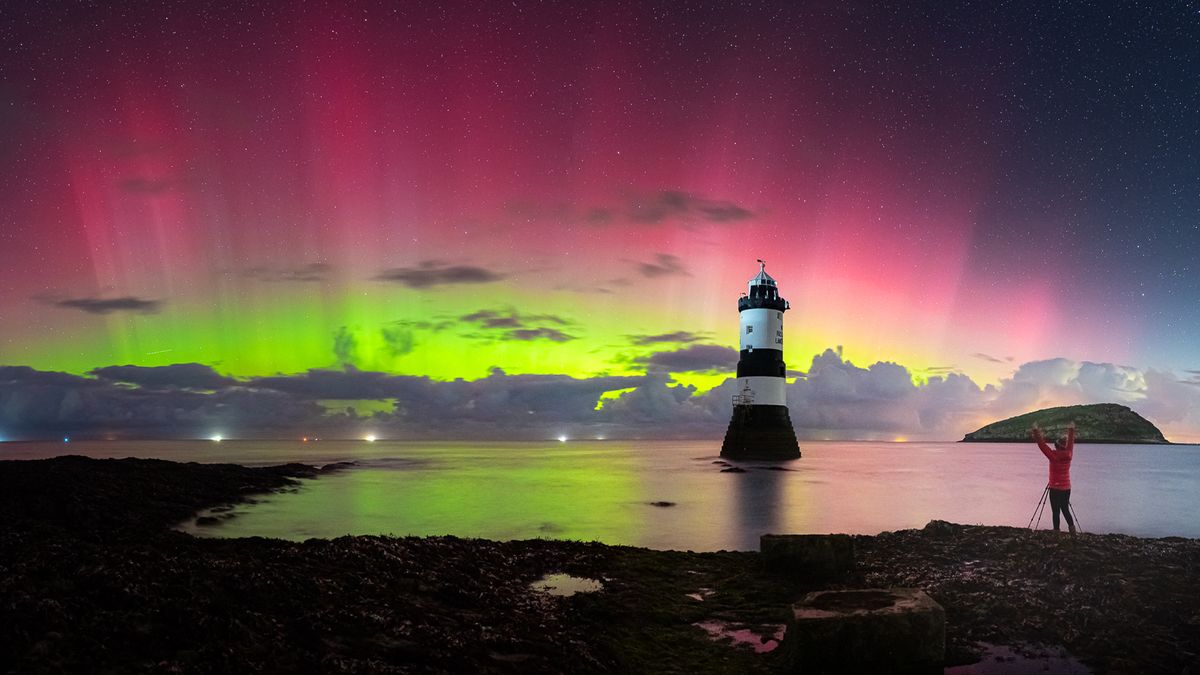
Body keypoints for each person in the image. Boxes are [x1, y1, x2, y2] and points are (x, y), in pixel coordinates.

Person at [1031, 420, 1076, 533]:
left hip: (1055, 488)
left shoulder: (1053, 455)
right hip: (1066, 488)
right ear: (1064, 446)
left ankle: (1056, 532)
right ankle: (1072, 531)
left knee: (1056, 511)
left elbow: (1042, 445)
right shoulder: (1069, 454)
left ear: (1056, 446)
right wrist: (1071, 430)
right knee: (1065, 509)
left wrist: (1036, 431)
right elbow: (1071, 442)